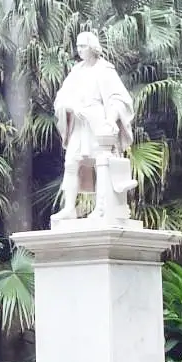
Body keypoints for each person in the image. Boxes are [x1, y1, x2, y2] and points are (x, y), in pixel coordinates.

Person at [51, 30, 137, 225]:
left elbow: (118, 99)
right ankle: (69, 208)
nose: (80, 50)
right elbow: (62, 97)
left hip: (98, 122)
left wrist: (110, 120)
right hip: (79, 123)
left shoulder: (104, 70)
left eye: (83, 46)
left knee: (102, 164)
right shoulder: (76, 71)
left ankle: (102, 208)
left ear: (93, 47)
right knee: (71, 163)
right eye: (78, 46)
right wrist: (71, 107)